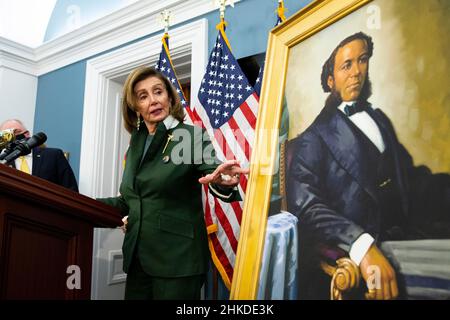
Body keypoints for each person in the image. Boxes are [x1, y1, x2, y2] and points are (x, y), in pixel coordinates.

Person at [286, 32, 450, 300]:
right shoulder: (313, 138)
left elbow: (409, 178)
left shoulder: (379, 119)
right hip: (364, 257)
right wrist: (361, 246)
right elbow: (306, 205)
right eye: (346, 65)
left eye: (362, 60)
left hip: (411, 236)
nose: (356, 72)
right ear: (330, 80)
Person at [97, 67, 248, 300]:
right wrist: (80, 204)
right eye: (143, 96)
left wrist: (223, 181)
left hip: (177, 260)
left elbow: (212, 169)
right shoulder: (136, 144)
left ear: (169, 96)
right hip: (138, 260)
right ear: (134, 107)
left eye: (158, 92)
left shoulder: (188, 136)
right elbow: (130, 199)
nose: (153, 100)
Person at [0, 119, 79, 192]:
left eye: (16, 132)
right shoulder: (2, 161)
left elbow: (71, 191)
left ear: (27, 134)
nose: (13, 136)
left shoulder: (53, 156)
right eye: (7, 135)